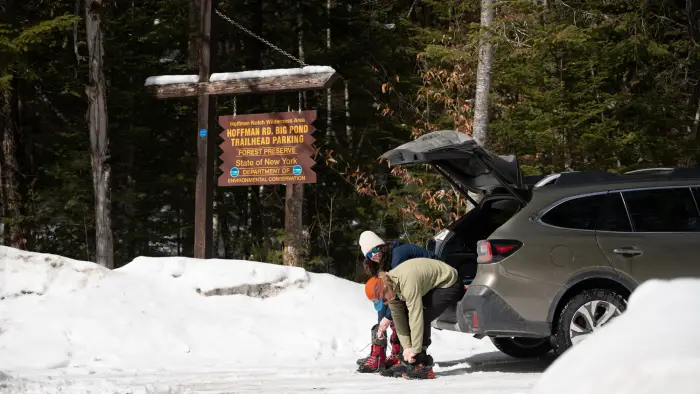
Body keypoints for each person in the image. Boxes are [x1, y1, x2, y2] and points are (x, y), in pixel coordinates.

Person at [366, 257, 464, 379]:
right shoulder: (391, 288)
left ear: (385, 286)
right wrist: (407, 348)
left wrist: (415, 349)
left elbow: (416, 315)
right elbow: (398, 318)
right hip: (430, 286)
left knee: (422, 314)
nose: (386, 302)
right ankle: (408, 361)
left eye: (384, 299)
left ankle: (422, 364)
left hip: (449, 283)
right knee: (404, 317)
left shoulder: (407, 281)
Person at [356, 231, 438, 374]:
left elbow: (397, 295)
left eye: (375, 249)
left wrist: (388, 317)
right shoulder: (382, 263)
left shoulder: (398, 255)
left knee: (404, 311)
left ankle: (404, 353)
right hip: (413, 284)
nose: (373, 255)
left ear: (381, 246)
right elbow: (386, 295)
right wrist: (381, 325)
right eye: (369, 254)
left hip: (433, 280)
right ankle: (379, 353)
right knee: (384, 301)